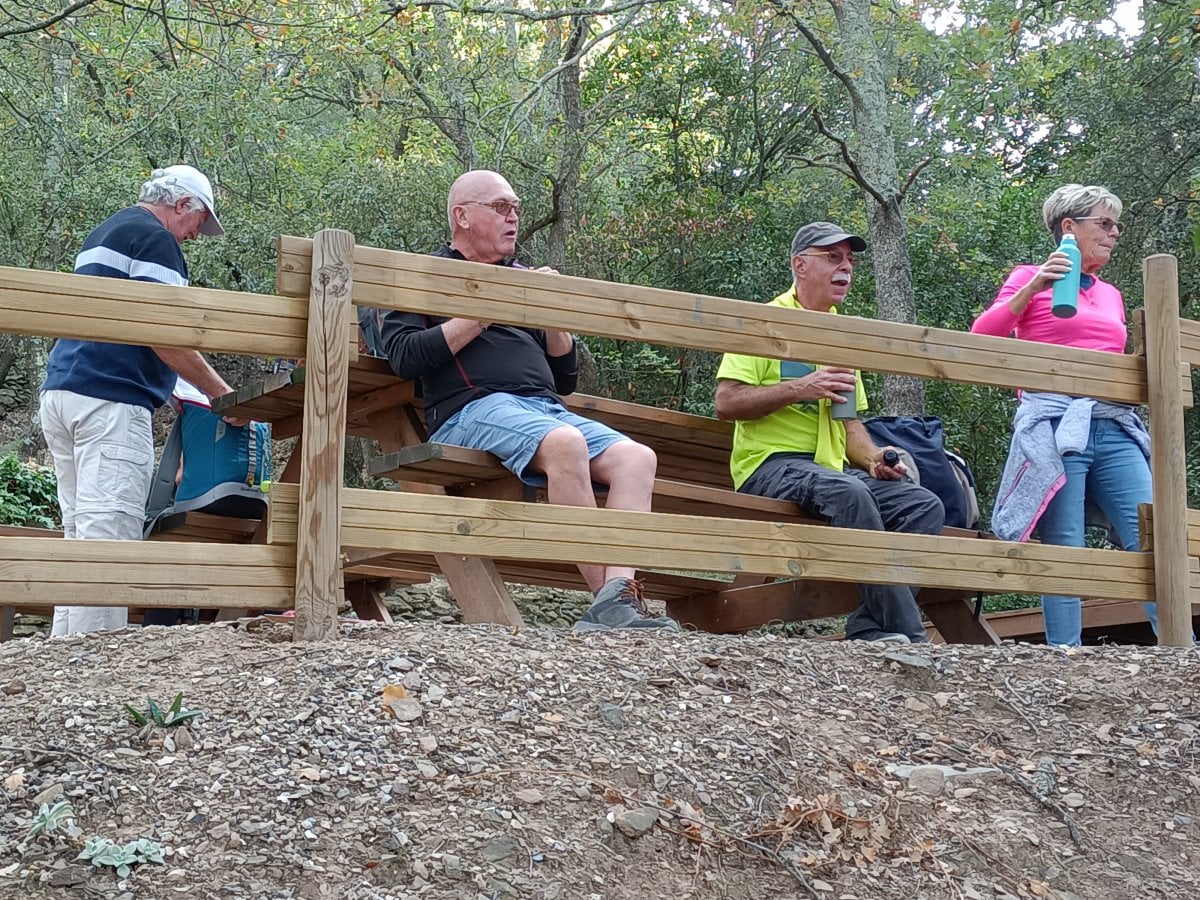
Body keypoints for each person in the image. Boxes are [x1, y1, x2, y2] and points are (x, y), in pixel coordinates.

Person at [379, 169, 678, 632]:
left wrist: (550, 310)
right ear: (462, 216)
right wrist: (489, 307)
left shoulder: (522, 278)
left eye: (517, 208)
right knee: (565, 443)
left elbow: (565, 378)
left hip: (544, 409)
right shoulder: (425, 274)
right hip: (469, 410)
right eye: (501, 207)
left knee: (637, 458)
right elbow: (404, 357)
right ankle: (611, 607)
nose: (514, 217)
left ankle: (618, 597)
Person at [714, 221, 944, 643]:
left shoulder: (843, 335)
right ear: (800, 265)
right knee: (848, 491)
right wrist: (800, 388)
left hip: (832, 470)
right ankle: (909, 636)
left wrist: (873, 458)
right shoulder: (766, 322)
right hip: (770, 467)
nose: (846, 267)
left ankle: (871, 625)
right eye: (833, 257)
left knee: (923, 505)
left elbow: (849, 422)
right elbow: (726, 402)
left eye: (850, 260)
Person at [40, 164, 242, 636]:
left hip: (63, 391)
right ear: (182, 204)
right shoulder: (157, 240)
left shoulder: (104, 232)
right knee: (110, 536)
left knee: (78, 532)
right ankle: (94, 654)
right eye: (199, 222)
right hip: (111, 401)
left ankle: (62, 652)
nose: (195, 235)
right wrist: (222, 394)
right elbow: (164, 334)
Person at [972, 184, 1168, 646]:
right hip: (1055, 423)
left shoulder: (1111, 294)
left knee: (1153, 533)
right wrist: (1035, 286)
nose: (1115, 233)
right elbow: (982, 335)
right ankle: (1065, 654)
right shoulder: (1029, 275)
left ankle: (1181, 646)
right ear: (1069, 227)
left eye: (1117, 225)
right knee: (1065, 543)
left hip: (1113, 422)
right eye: (1105, 223)